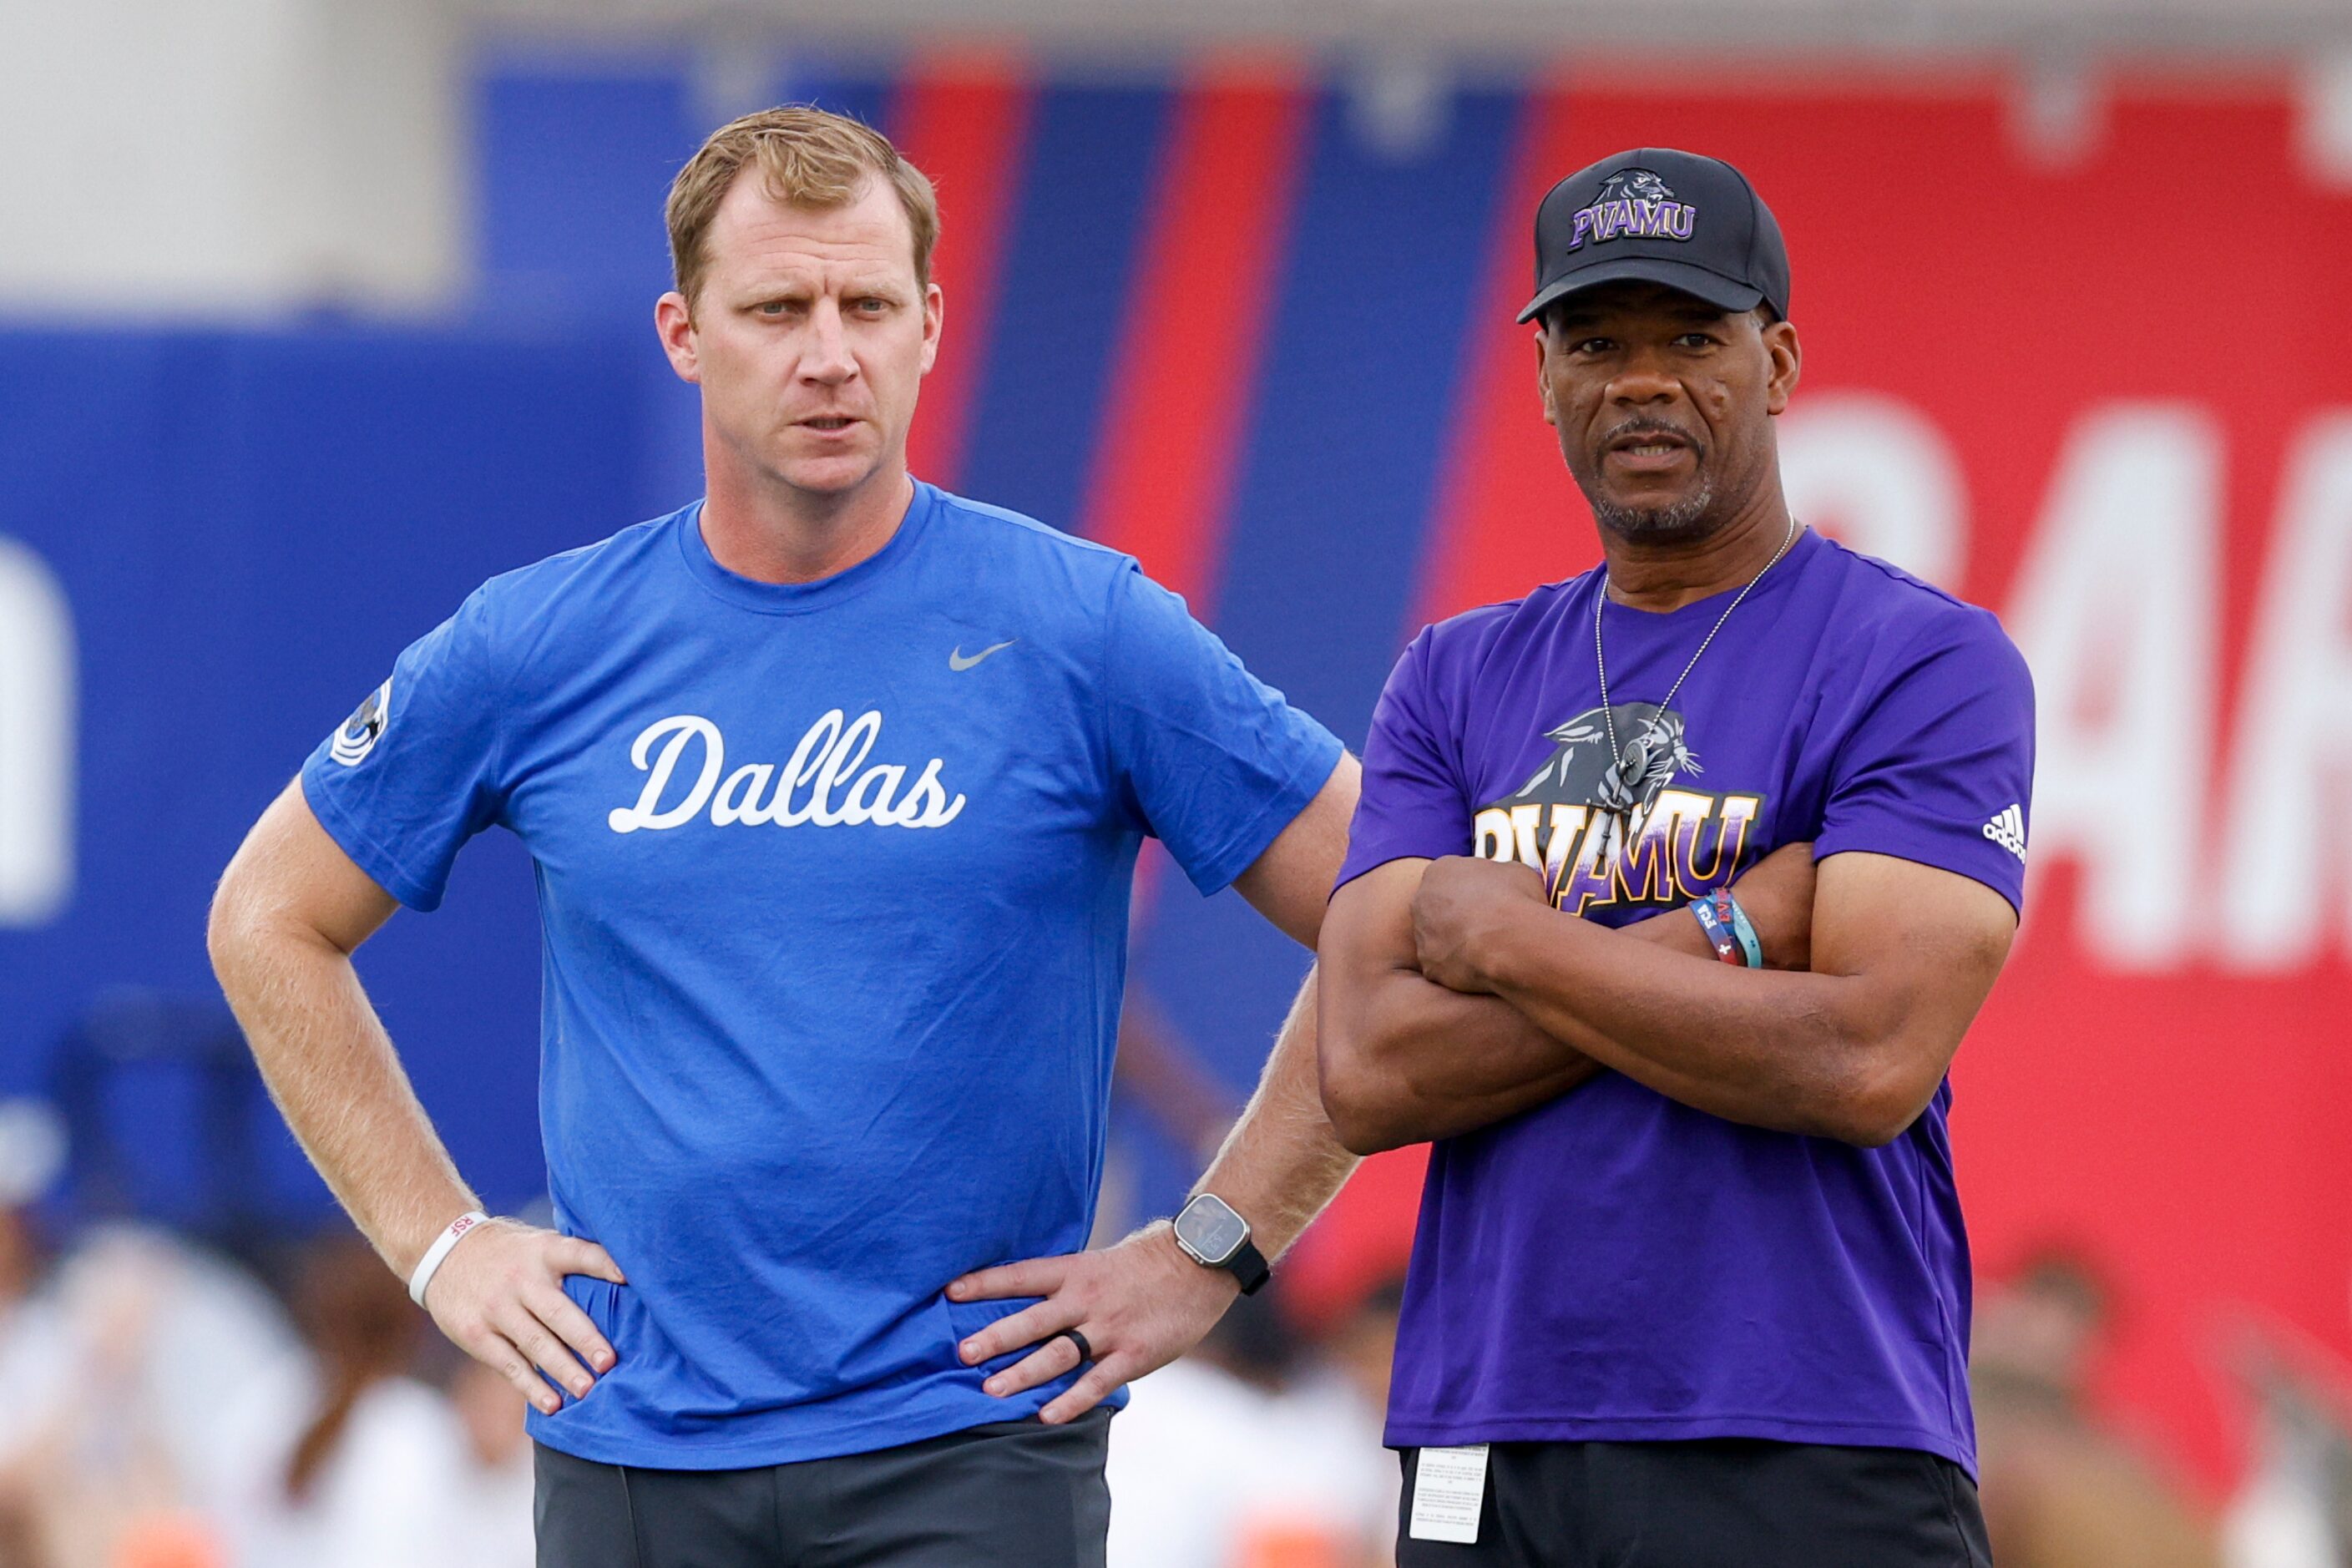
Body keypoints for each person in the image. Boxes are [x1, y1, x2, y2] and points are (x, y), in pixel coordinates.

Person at [205, 105, 1370, 1566]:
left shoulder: (1085, 627)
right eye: (776, 308)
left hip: (969, 1448)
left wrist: (1214, 1244)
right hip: (630, 1450)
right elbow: (268, 917)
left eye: (867, 304)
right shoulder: (535, 643)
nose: (831, 353)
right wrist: (440, 1243)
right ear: (685, 333)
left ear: (930, 323)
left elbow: (1393, 918)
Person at [1318, 146, 2034, 1565]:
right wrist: (1736, 926)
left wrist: (1510, 941)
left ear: (1774, 362)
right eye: (1595, 342)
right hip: (1486, 1431)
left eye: (1690, 339)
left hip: (1808, 1434)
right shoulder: (1453, 675)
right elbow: (1371, 1067)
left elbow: (1864, 1058)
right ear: (1543, 381)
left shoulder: (1919, 659)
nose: (1640, 380)